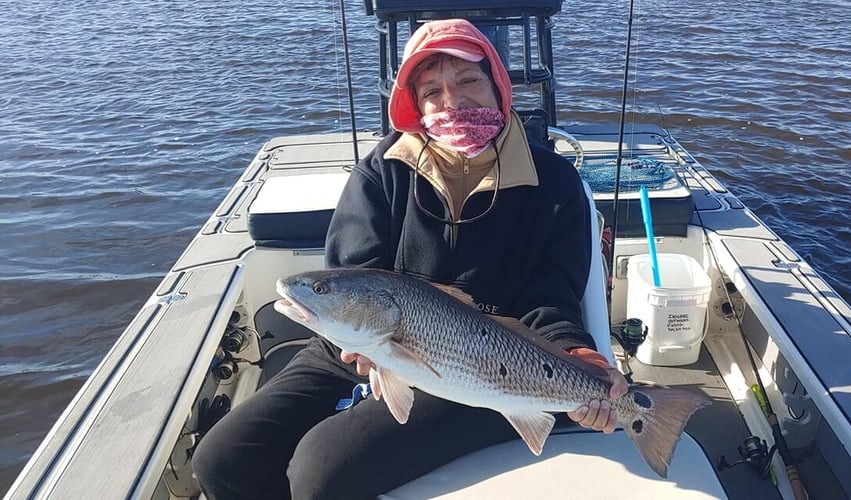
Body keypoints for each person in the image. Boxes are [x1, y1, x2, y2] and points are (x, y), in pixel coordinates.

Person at [192, 18, 628, 499]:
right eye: (432, 91)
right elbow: (352, 278)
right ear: (414, 103)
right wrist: (361, 342)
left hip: (482, 369)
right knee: (224, 459)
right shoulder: (383, 171)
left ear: (498, 86)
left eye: (468, 80)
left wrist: (576, 356)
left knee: (320, 472)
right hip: (368, 342)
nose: (453, 101)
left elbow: (553, 297)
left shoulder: (555, 184)